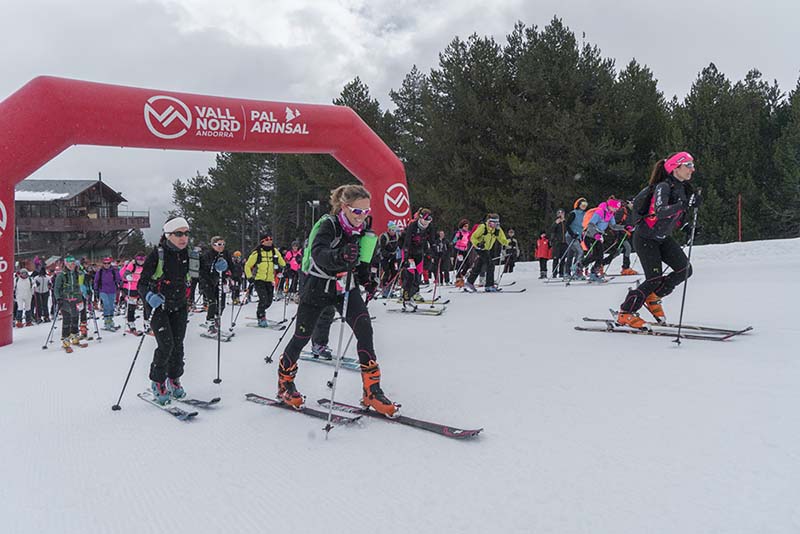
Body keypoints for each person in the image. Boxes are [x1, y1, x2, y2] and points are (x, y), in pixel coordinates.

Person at [277, 184, 395, 416]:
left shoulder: (363, 229)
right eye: (357, 212)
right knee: (301, 337)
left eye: (366, 212)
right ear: (344, 207)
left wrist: (367, 280)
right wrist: (339, 255)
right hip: (318, 286)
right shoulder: (328, 225)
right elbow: (319, 255)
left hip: (345, 287)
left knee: (364, 330)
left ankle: (372, 390)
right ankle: (285, 384)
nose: (362, 217)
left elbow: (361, 260)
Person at [616, 152, 699, 327]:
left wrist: (686, 226)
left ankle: (653, 298)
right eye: (688, 165)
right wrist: (684, 204)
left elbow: (676, 215)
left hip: (662, 237)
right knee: (654, 278)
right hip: (646, 237)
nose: (693, 169)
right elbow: (660, 211)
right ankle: (625, 312)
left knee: (684, 270)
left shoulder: (683, 188)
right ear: (676, 167)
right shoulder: (663, 186)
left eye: (692, 165)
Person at [138, 217, 192, 404]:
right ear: (168, 235)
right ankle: (158, 381)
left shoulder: (188, 255)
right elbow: (141, 284)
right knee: (166, 345)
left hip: (179, 305)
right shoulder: (157, 255)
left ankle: (174, 379)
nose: (183, 237)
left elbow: (198, 274)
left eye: (186, 233)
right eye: (178, 233)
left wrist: (221, 270)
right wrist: (149, 296)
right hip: (158, 306)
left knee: (178, 345)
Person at [244, 233, 286, 328]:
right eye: (267, 240)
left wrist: (285, 266)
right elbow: (247, 265)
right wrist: (249, 277)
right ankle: (261, 316)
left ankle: (261, 310)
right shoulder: (257, 253)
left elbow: (281, 261)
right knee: (263, 299)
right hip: (259, 279)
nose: (270, 241)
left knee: (269, 301)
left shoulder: (274, 251)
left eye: (271, 239)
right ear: (262, 242)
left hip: (270, 279)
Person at [579, 198, 625, 281]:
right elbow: (591, 225)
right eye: (615, 208)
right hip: (589, 235)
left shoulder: (611, 213)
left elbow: (613, 226)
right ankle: (580, 266)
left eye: (617, 209)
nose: (616, 210)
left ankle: (594, 272)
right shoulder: (600, 212)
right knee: (594, 255)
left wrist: (624, 227)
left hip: (598, 236)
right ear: (610, 206)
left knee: (600, 255)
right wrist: (595, 234)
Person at [464, 213, 509, 292]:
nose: (494, 225)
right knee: (490, 264)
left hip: (487, 249)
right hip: (480, 248)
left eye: (496, 223)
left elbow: (502, 239)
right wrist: (477, 244)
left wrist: (508, 244)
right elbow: (473, 237)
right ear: (489, 222)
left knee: (479, 265)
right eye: (492, 223)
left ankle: (469, 282)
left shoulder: (497, 229)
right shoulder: (483, 227)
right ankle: (489, 285)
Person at [401, 208, 435, 303]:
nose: (426, 223)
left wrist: (434, 250)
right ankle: (406, 295)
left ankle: (415, 293)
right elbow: (406, 241)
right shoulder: (413, 225)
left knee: (418, 274)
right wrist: (407, 256)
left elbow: (432, 241)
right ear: (420, 218)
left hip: (419, 252)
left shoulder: (430, 227)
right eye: (425, 221)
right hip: (409, 252)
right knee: (410, 274)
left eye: (428, 221)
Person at [200, 236, 233, 335]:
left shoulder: (226, 253)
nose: (221, 246)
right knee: (212, 302)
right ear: (213, 245)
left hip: (219, 280)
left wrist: (234, 276)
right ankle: (210, 323)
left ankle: (216, 317)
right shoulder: (207, 255)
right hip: (207, 281)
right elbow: (202, 270)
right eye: (219, 244)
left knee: (222, 304)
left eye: (223, 244)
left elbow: (231, 265)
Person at [53, 255, 83, 350]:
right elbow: (56, 289)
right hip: (65, 300)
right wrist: (58, 299)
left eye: (73, 264)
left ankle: (74, 336)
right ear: (66, 264)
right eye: (70, 264)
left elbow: (81, 285)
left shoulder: (77, 274)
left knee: (75, 318)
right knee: (67, 319)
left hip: (76, 299)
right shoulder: (61, 275)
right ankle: (65, 339)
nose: (71, 265)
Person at [119, 253, 149, 334]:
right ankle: (131, 322)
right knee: (132, 305)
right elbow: (126, 273)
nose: (140, 261)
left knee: (146, 304)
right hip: (131, 287)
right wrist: (128, 276)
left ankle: (146, 322)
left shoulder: (146, 265)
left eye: (142, 259)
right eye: (138, 259)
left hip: (141, 287)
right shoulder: (132, 264)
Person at [94, 256, 121, 330]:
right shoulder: (100, 271)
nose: (106, 265)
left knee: (111, 305)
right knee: (106, 304)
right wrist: (96, 289)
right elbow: (96, 281)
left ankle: (110, 320)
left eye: (108, 263)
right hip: (103, 290)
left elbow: (118, 279)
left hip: (112, 290)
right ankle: (106, 321)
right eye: (105, 263)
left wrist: (120, 284)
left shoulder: (114, 270)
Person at [565, 198, 588, 278]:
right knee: (580, 252)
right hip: (571, 236)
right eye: (582, 205)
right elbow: (567, 225)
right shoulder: (574, 213)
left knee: (571, 253)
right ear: (578, 205)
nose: (584, 206)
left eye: (585, 205)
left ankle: (571, 271)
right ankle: (574, 271)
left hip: (579, 237)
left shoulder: (585, 214)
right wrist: (572, 234)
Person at [376, 221, 400, 296]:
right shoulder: (384, 236)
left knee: (395, 272)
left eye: (394, 230)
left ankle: (391, 287)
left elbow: (400, 244)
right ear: (388, 230)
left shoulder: (397, 235)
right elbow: (381, 249)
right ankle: (384, 289)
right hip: (385, 257)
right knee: (386, 272)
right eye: (392, 230)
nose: (393, 232)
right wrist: (387, 254)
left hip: (393, 257)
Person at [452, 219, 472, 285]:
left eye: (467, 226)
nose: (466, 227)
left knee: (468, 264)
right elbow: (453, 241)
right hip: (459, 250)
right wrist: (458, 238)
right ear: (462, 226)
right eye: (465, 226)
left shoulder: (469, 233)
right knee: (459, 264)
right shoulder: (459, 233)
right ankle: (458, 278)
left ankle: (462, 274)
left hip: (465, 250)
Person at [550, 209, 568, 278]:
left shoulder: (565, 222)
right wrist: (556, 223)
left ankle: (561, 272)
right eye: (559, 213)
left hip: (564, 242)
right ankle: (554, 273)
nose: (561, 214)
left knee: (563, 258)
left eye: (562, 213)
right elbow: (551, 230)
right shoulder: (555, 222)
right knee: (556, 258)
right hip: (557, 243)